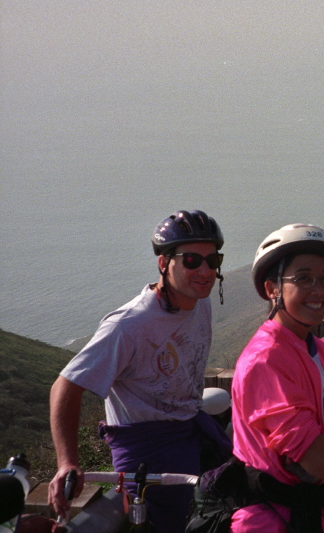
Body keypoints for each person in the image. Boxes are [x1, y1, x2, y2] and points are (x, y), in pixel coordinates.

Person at [48, 210, 232, 532]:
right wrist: (67, 464)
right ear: (164, 263)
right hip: (147, 448)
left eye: (212, 260)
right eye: (191, 261)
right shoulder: (129, 325)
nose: (205, 271)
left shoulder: (198, 301)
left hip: (189, 426)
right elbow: (66, 386)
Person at [230, 224, 324, 533]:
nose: (318, 289)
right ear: (272, 289)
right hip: (271, 521)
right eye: (303, 278)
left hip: (318, 511)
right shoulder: (265, 360)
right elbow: (322, 462)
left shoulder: (320, 350)